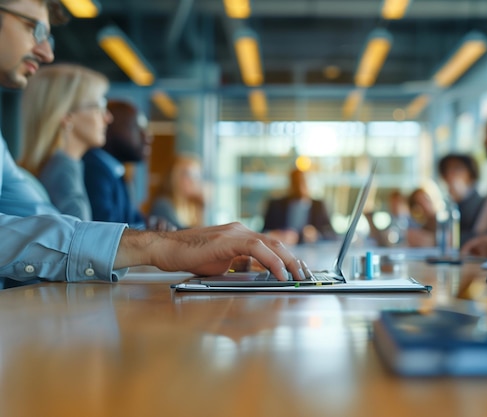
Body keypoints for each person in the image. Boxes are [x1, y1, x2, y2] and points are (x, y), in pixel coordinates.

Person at [0, 0, 306, 287]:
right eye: (33, 28)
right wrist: (161, 246)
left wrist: (169, 244)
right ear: (65, 115)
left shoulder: (29, 167)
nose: (46, 52)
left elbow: (50, 233)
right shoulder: (71, 170)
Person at [18, 63, 112, 220]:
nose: (108, 117)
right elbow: (80, 241)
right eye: (100, 105)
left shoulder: (64, 166)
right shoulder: (62, 170)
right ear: (67, 116)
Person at [82, 99, 151, 228]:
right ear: (108, 128)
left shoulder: (113, 172)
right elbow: (108, 231)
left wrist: (152, 224)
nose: (147, 136)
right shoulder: (93, 171)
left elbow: (134, 220)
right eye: (136, 127)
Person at [262, 168, 336, 244]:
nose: (300, 187)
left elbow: (332, 234)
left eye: (303, 182)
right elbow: (264, 232)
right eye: (296, 182)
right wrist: (274, 235)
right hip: (283, 249)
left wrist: (316, 235)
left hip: (311, 252)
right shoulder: (276, 205)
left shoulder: (318, 206)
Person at [438, 153, 484, 244]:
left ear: (471, 173)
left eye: (457, 169)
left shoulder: (482, 202)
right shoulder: (446, 203)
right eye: (447, 169)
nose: (451, 173)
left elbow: (477, 234)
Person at [149, 154, 205, 229]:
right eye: (189, 174)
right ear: (174, 177)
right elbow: (180, 235)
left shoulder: (189, 206)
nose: (194, 180)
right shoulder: (162, 205)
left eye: (197, 175)